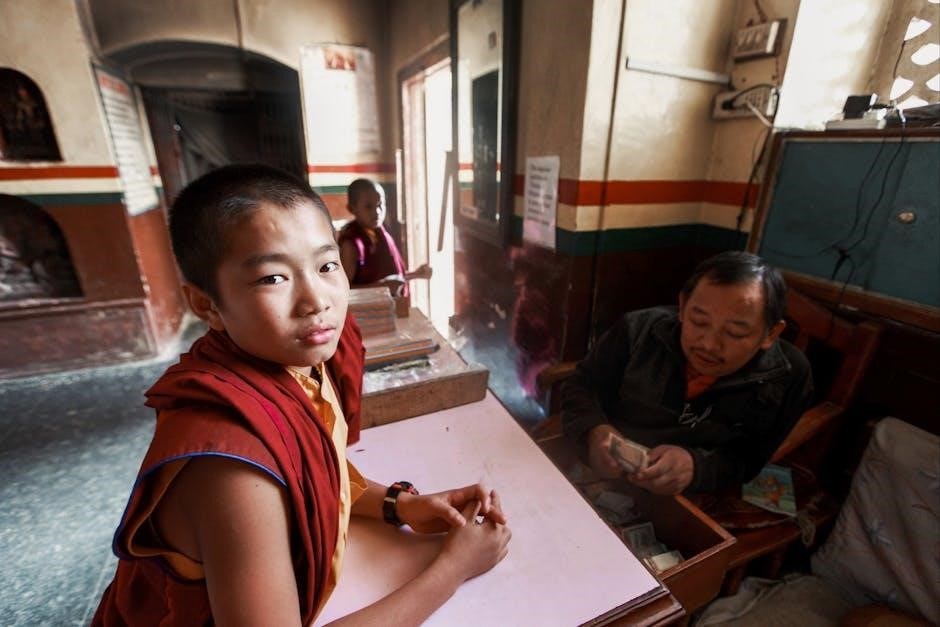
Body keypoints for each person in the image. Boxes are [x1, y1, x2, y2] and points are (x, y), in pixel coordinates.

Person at [92, 164, 510, 626]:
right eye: (273, 278)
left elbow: (315, 474)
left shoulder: (291, 363)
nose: (316, 300)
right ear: (207, 304)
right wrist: (453, 569)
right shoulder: (230, 471)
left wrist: (400, 505)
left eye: (327, 265)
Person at [560, 251, 812, 496]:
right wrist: (594, 430)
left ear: (771, 334)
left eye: (735, 333)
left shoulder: (788, 375)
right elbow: (581, 384)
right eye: (699, 321)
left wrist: (696, 468)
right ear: (682, 306)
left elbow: (749, 459)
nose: (709, 345)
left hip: (696, 495)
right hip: (605, 471)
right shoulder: (638, 330)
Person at [338, 177, 431, 297]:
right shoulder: (351, 243)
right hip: (370, 308)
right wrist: (380, 287)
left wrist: (416, 274)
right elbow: (344, 290)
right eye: (368, 206)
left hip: (390, 305)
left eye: (380, 204)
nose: (377, 212)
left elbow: (389, 279)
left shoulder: (378, 233)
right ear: (352, 209)